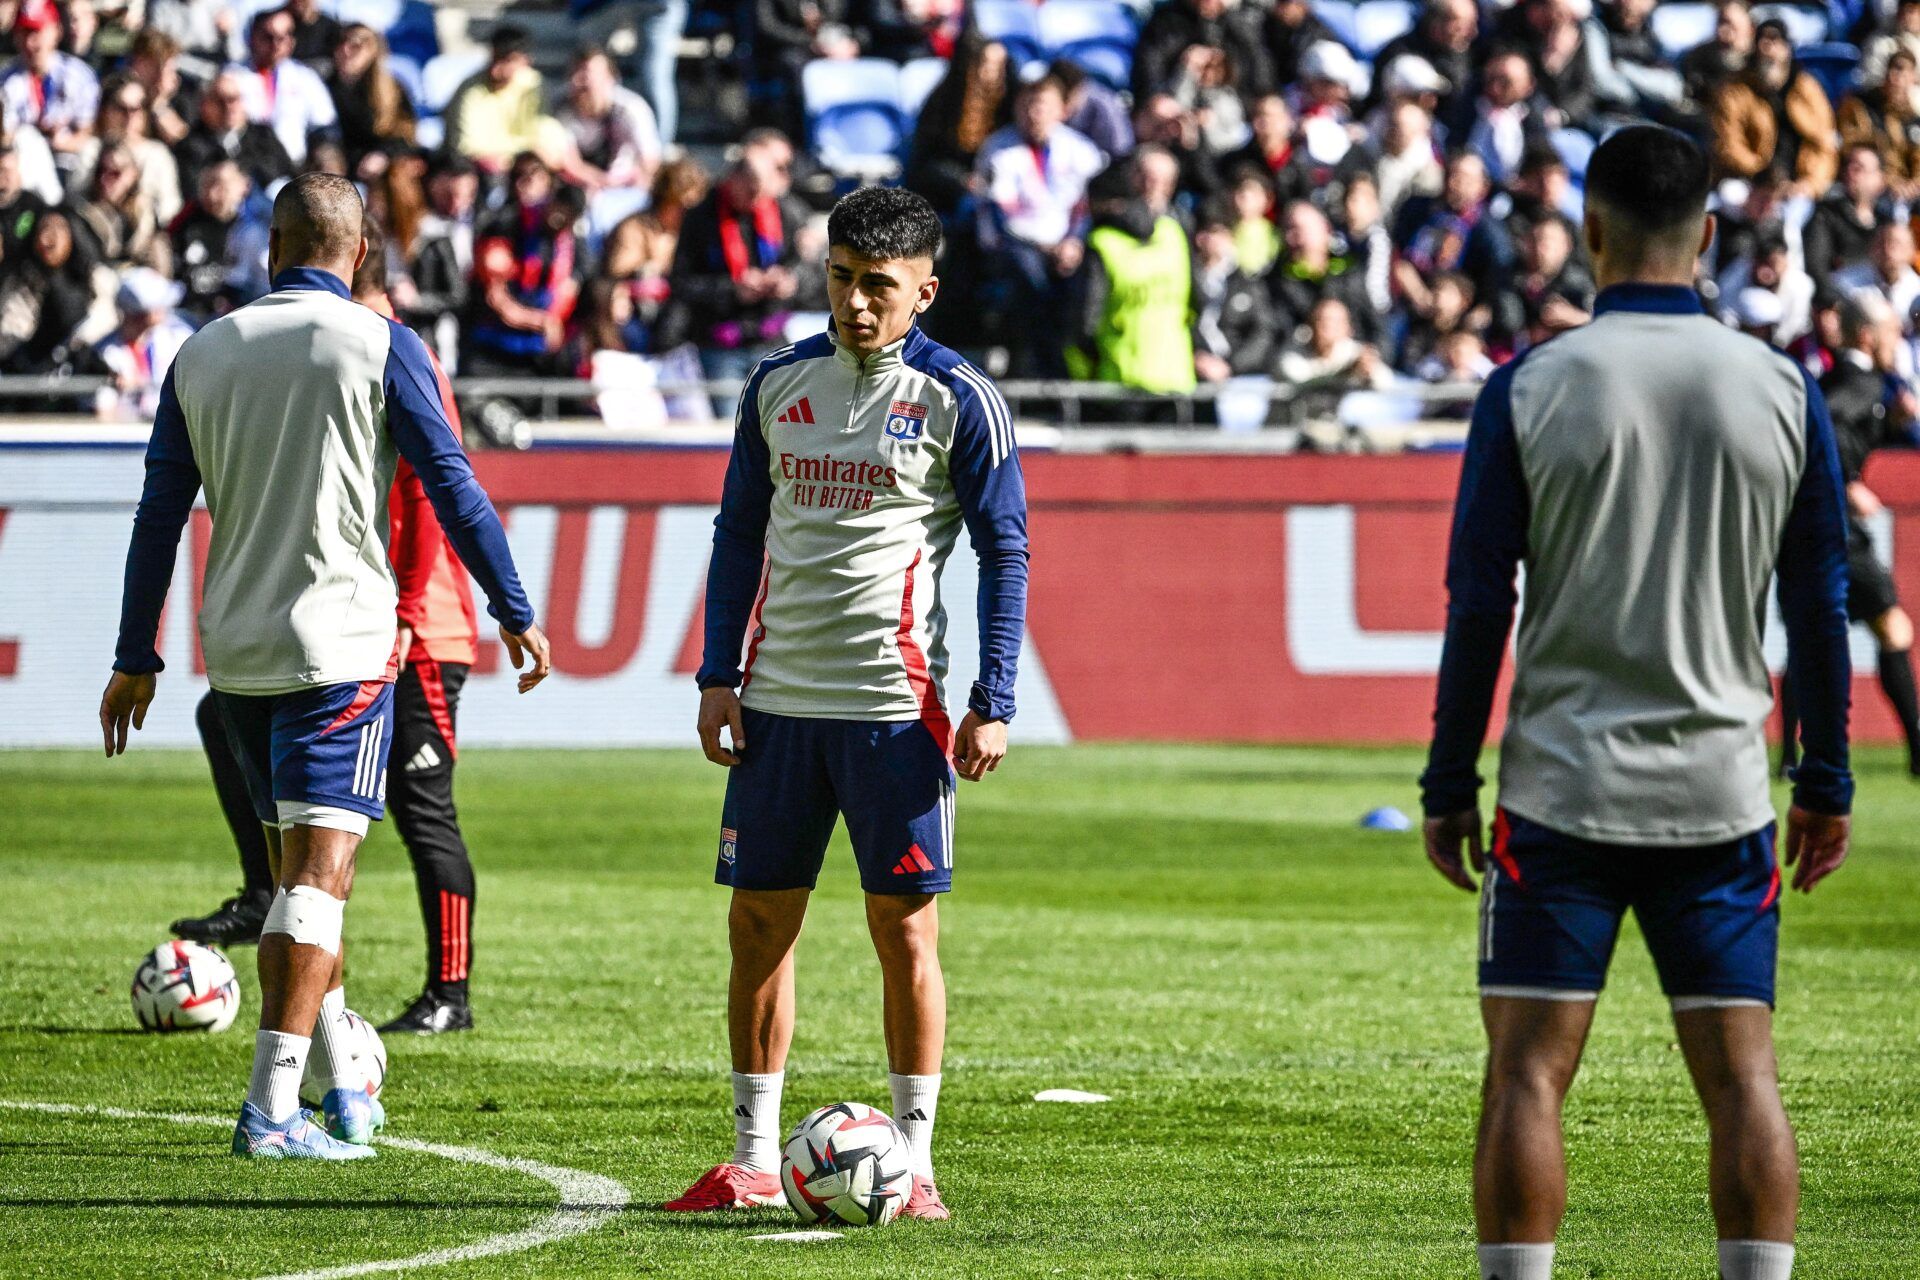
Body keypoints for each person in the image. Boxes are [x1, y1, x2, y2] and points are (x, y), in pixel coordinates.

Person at [1420, 125, 1852, 1280]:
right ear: (1707, 235)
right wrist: (1827, 778)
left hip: (1561, 788)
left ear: (1592, 233)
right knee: (1742, 1078)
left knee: (1525, 1071)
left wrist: (1447, 780)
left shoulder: (1528, 388)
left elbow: (1477, 603)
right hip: (1720, 789)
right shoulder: (1781, 388)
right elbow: (1820, 605)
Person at [101, 173, 550, 1160]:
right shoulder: (386, 344)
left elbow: (158, 516)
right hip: (341, 649)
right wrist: (514, 607)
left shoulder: (202, 351)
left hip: (241, 653)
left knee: (298, 876)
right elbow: (453, 487)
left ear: (272, 249)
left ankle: (344, 1091)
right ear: (357, 253)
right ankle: (270, 1111)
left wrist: (136, 654)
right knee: (317, 882)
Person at [668, 185, 1028, 1221]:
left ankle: (912, 1164)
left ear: (925, 289)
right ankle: (748, 1156)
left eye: (880, 285)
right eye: (841, 278)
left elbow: (1006, 548)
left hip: (895, 704)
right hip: (778, 701)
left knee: (903, 929)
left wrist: (991, 697)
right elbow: (739, 531)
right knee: (757, 924)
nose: (857, 303)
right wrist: (716, 674)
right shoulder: (778, 382)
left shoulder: (961, 396)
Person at [1783, 296, 1920, 777]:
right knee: (1892, 626)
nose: (1897, 342)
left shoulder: (1844, 379)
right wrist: (1847, 482)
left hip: (1809, 520)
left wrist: (1890, 424)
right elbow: (1830, 426)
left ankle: (1787, 758)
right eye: (1889, 333)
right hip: (1838, 525)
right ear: (1867, 336)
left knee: (1813, 630)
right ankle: (1919, 751)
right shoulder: (1860, 380)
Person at [1066, 161, 1197, 396]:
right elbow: (1198, 300)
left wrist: (1085, 368)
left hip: (1118, 378)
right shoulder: (1173, 232)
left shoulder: (1101, 243)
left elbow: (1086, 319)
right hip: (1176, 375)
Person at [1709, 17, 1837, 197]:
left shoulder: (1807, 90)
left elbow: (1825, 144)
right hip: (1751, 183)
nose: (1767, 48)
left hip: (1799, 188)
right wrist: (1764, 174)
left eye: (1775, 40)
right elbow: (1728, 145)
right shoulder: (1735, 91)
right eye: (1762, 41)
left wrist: (1811, 184)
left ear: (1787, 48)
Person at [229, 6, 339, 168]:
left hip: (294, 168)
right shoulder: (232, 75)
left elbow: (324, 124)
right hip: (244, 166)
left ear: (291, 41)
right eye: (268, 37)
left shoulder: (305, 77)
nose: (275, 44)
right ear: (252, 37)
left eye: (282, 37)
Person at [445, 25, 548, 176]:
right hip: (477, 170)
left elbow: (540, 135)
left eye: (507, 61)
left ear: (525, 61)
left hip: (521, 166)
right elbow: (465, 146)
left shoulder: (534, 86)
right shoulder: (470, 90)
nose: (497, 69)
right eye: (495, 58)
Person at [176, 68, 297, 194]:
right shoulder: (190, 146)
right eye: (220, 101)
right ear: (205, 105)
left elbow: (290, 175)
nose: (229, 107)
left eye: (234, 99)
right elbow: (193, 191)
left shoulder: (263, 135)